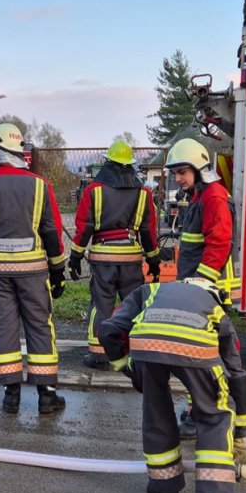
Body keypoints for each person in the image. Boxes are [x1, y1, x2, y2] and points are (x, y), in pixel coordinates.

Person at [98, 278, 246, 493]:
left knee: (156, 415)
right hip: (196, 347)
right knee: (214, 415)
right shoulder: (214, 307)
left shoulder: (150, 290)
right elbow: (236, 374)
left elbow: (108, 330)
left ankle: (164, 489)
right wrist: (241, 434)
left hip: (146, 345)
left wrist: (126, 367)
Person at [0, 123, 67, 414]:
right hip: (33, 272)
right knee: (40, 326)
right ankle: (47, 395)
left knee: (4, 327)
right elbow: (52, 232)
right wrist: (58, 271)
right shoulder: (40, 185)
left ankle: (11, 395)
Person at [165, 138, 246, 441]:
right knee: (202, 354)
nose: (178, 178)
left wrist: (200, 285)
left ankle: (203, 414)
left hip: (206, 291)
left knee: (204, 357)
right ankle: (200, 410)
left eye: (182, 172)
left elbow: (219, 243)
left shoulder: (213, 196)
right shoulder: (201, 195)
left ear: (199, 169)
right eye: (175, 173)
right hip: (199, 289)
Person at [69, 140, 161, 370]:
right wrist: (154, 261)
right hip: (131, 258)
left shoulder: (93, 191)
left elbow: (84, 227)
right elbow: (148, 231)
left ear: (108, 163)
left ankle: (99, 356)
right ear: (130, 165)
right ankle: (137, 353)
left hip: (103, 259)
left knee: (101, 306)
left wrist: (75, 258)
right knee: (134, 306)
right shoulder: (143, 193)